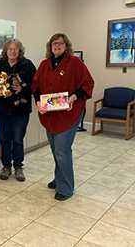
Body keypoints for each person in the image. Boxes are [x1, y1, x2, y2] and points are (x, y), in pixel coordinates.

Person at [32, 33, 94, 201]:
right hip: (50, 115)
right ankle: (58, 178)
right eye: (54, 43)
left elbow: (88, 83)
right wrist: (38, 102)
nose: (57, 46)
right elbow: (36, 86)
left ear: (66, 46)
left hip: (69, 113)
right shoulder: (45, 64)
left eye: (60, 43)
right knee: (55, 148)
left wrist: (74, 96)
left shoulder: (75, 62)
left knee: (62, 150)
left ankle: (65, 188)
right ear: (50, 46)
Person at [0, 39, 36, 182]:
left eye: (15, 49)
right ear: (5, 51)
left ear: (20, 51)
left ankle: (19, 167)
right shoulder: (0, 64)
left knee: (18, 139)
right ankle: (6, 167)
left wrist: (23, 89)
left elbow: (36, 84)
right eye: (10, 49)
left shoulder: (27, 65)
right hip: (1, 109)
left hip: (20, 109)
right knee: (4, 139)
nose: (12, 51)